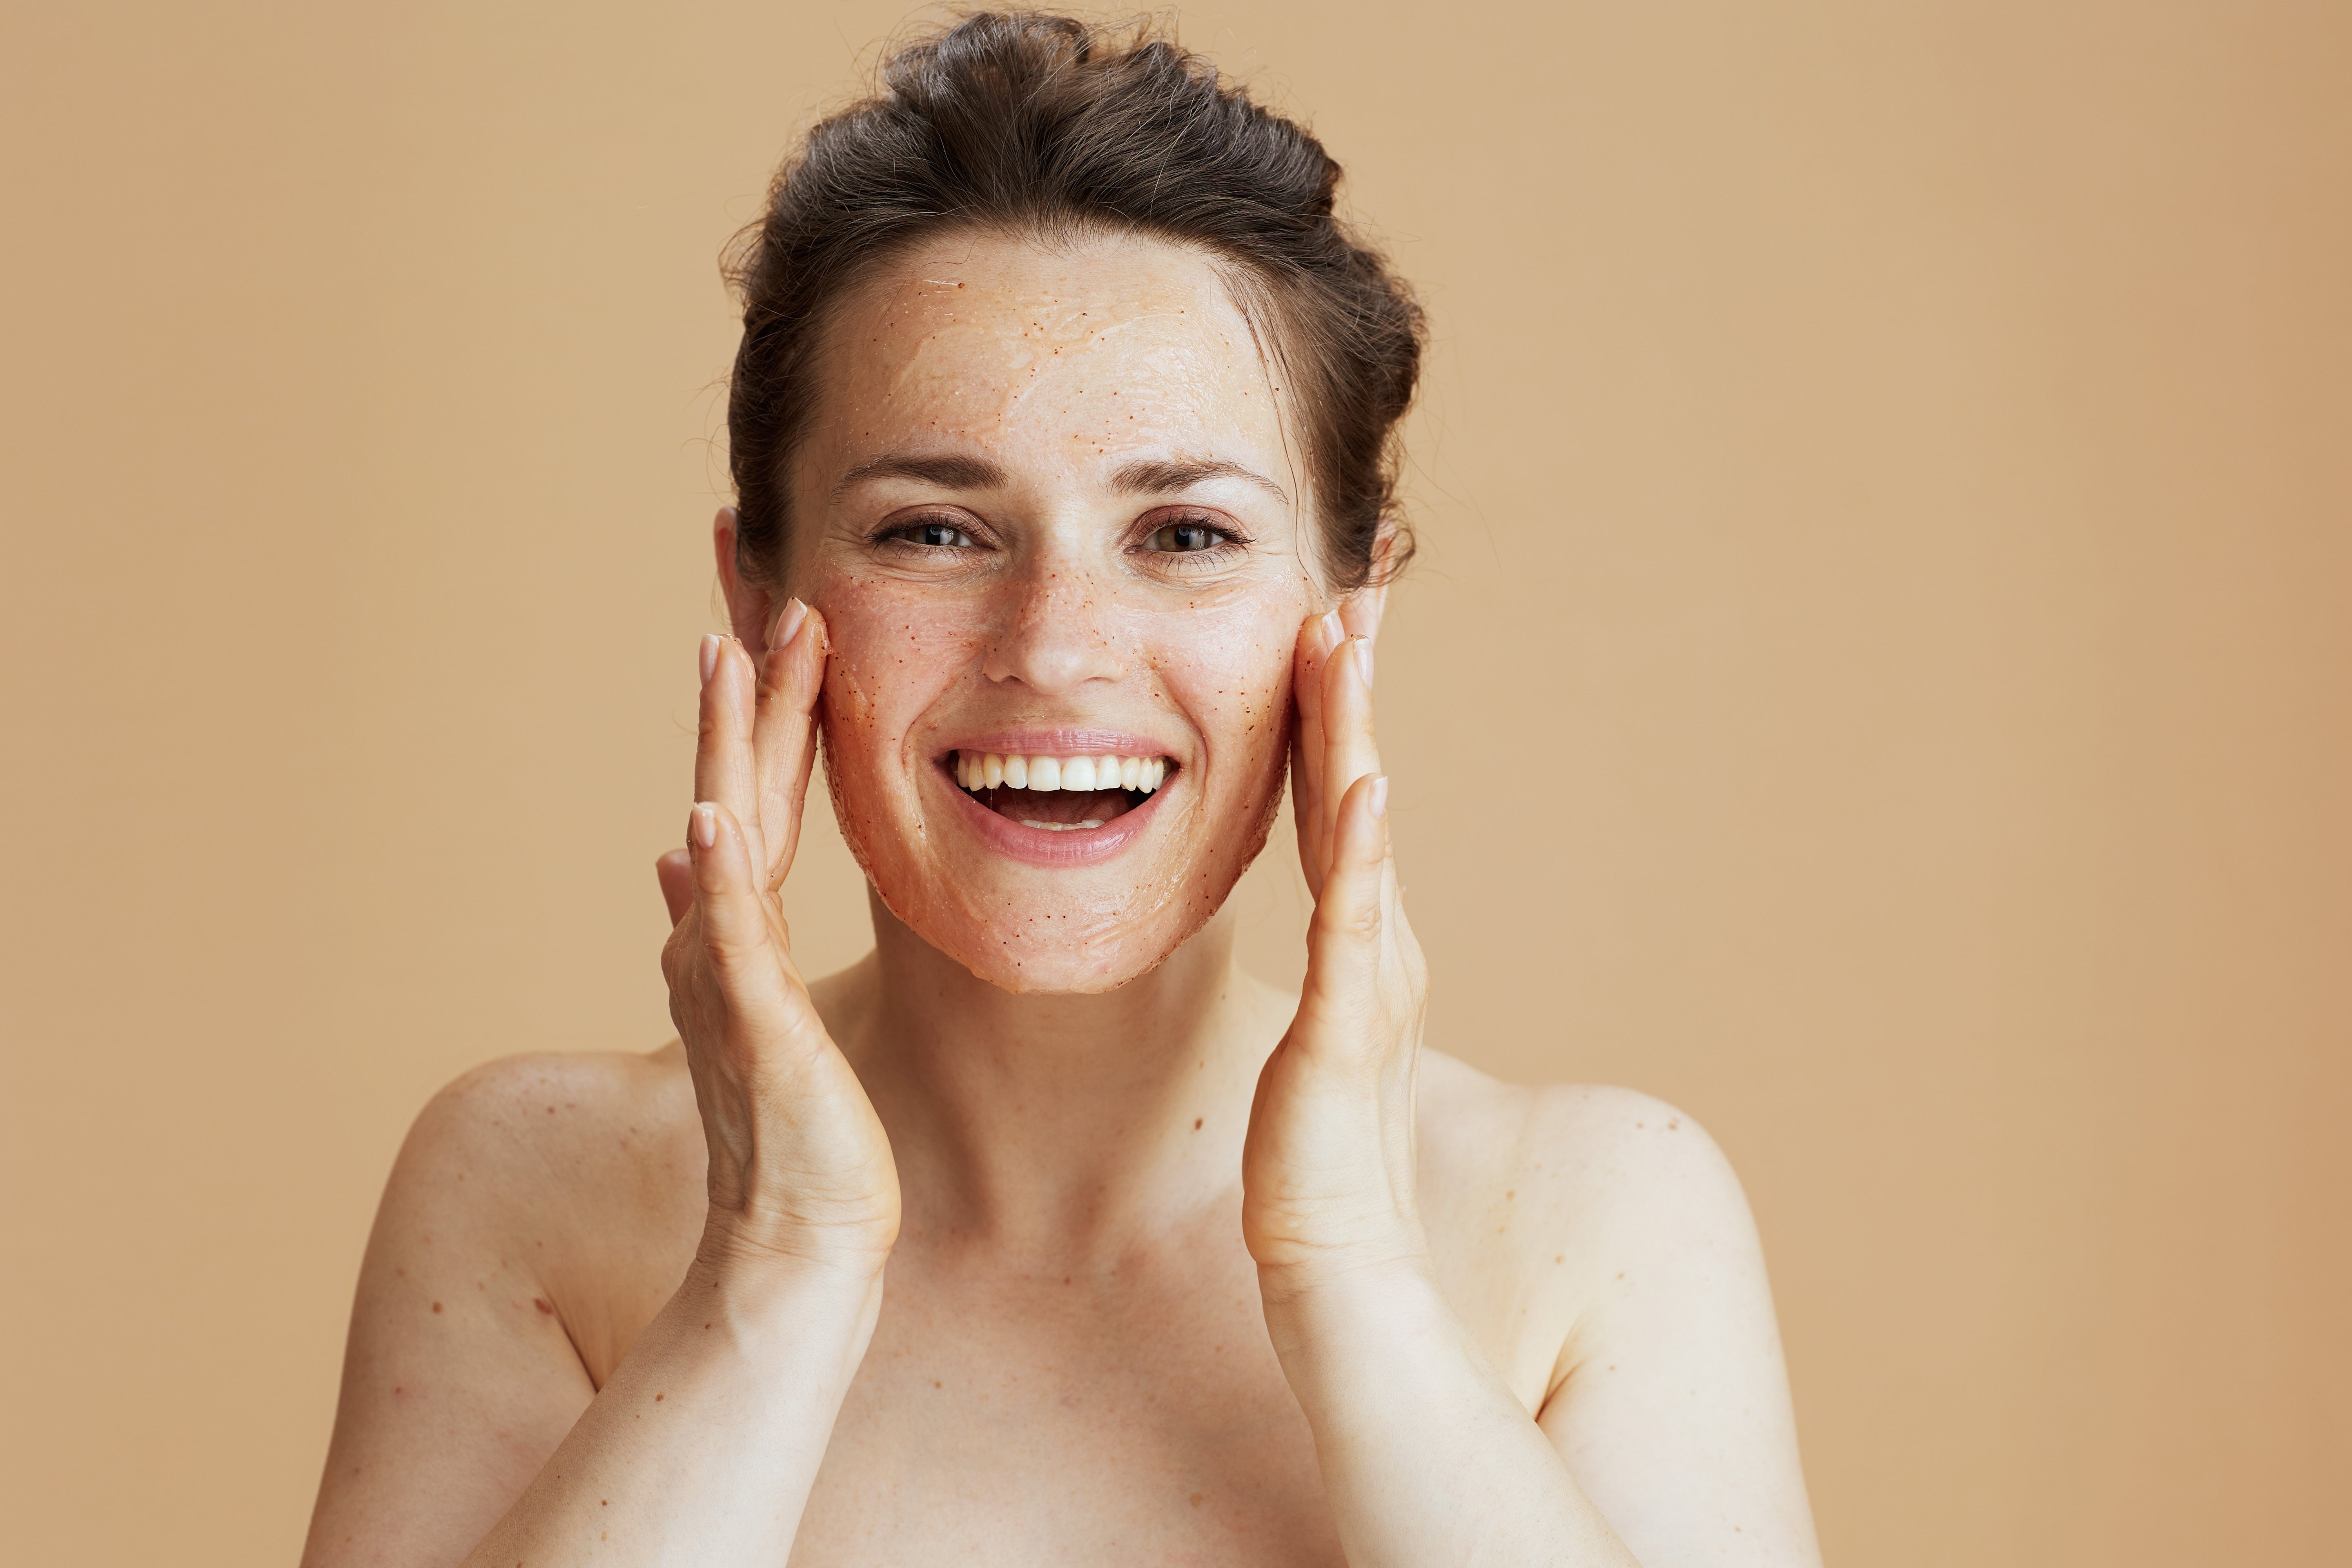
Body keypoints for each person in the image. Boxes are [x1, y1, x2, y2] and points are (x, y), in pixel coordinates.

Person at [300, 14, 1820, 1565]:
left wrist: (1352, 1270)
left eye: (1185, 537)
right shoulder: (535, 1197)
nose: (1057, 651)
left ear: (1350, 609)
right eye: (936, 534)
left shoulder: (1594, 1224)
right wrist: (774, 1265)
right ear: (763, 601)